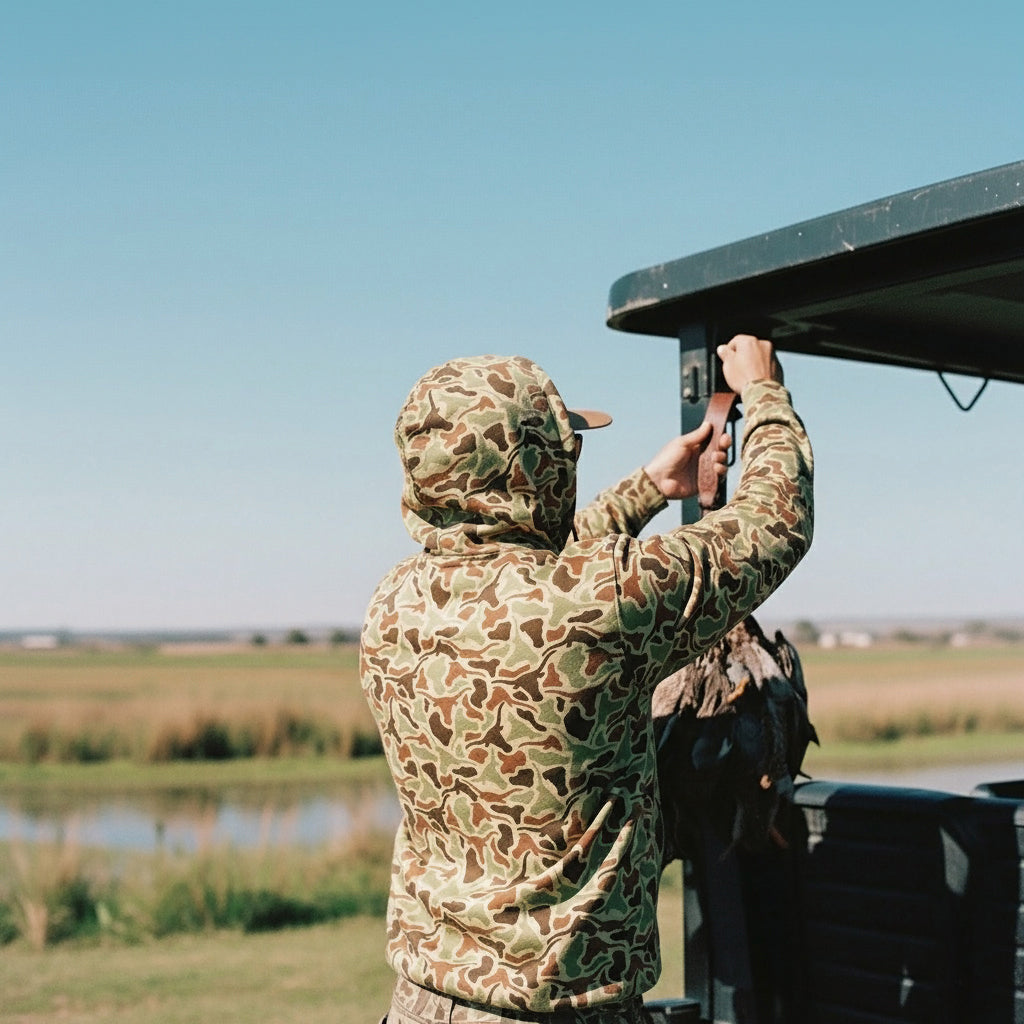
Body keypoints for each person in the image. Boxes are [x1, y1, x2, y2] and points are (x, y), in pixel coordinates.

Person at [360, 335, 813, 1024]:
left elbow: (528, 578)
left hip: (426, 1001)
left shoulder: (394, 604)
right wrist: (762, 391)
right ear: (536, 465)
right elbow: (774, 525)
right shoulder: (596, 601)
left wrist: (649, 489)